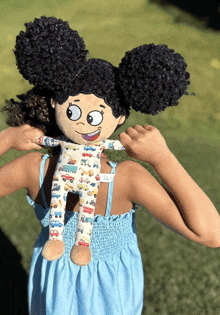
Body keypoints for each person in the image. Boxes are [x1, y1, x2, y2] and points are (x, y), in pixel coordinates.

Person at [1, 16, 220, 315]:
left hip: (54, 288)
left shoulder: (33, 168)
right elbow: (210, 234)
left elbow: (211, 233)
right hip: (113, 293)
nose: (81, 121)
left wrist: (7, 138)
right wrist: (162, 158)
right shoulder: (129, 178)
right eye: (75, 109)